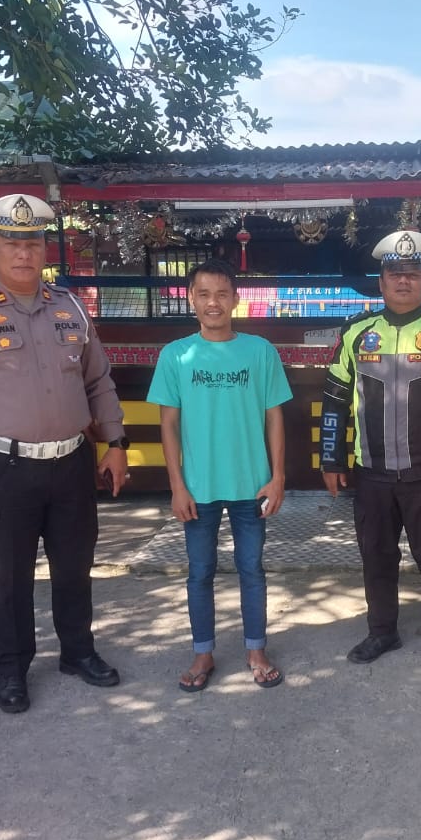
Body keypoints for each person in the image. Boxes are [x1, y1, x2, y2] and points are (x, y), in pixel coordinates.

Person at [0, 193, 129, 714]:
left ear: (45, 249)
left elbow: (98, 381)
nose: (24, 253)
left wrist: (115, 444)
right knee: (9, 577)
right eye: (12, 242)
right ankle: (12, 669)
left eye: (33, 242)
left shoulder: (69, 308)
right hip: (3, 467)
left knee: (74, 567)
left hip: (71, 463)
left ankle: (77, 652)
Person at [320, 229, 421, 683]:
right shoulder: (356, 332)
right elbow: (334, 400)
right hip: (371, 474)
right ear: (381, 281)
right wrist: (331, 460)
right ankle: (382, 631)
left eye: (412, 274)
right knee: (376, 557)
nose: (403, 281)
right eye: (395, 274)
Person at [147, 258, 293, 693]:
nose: (213, 303)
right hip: (198, 488)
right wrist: (176, 485)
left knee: (252, 570)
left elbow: (274, 417)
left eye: (222, 294)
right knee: (200, 573)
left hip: (252, 485)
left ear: (236, 299)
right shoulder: (175, 355)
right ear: (191, 299)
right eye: (204, 294)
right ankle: (203, 653)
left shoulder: (260, 351)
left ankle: (256, 651)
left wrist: (278, 476)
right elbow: (168, 425)